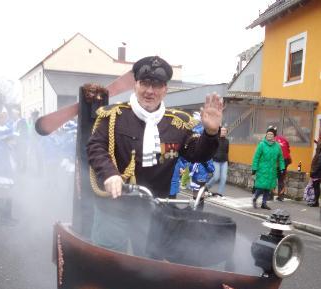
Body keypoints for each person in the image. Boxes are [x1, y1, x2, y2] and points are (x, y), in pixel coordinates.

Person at [87, 56, 223, 254]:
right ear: (136, 85)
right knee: (107, 263)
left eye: (157, 85)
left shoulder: (178, 122)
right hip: (115, 207)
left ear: (165, 89)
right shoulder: (114, 115)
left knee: (150, 267)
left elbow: (197, 154)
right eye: (145, 83)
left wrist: (210, 132)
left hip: (155, 211)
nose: (150, 91)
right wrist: (109, 174)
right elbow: (95, 146)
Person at [252, 126, 285, 210]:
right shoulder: (262, 144)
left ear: (274, 136)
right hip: (262, 169)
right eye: (268, 134)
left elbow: (281, 158)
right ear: (266, 135)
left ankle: (264, 203)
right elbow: (256, 157)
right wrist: (254, 168)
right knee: (261, 186)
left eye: (271, 134)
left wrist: (282, 168)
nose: (269, 135)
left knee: (268, 187)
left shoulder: (277, 146)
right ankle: (255, 198)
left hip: (272, 170)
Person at [206, 126, 229, 198]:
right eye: (222, 130)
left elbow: (226, 151)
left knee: (224, 178)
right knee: (216, 177)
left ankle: (219, 193)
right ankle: (206, 187)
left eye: (225, 131)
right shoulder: (216, 139)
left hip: (224, 161)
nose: (223, 132)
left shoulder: (227, 141)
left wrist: (228, 160)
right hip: (216, 161)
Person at [273, 128, 291, 201]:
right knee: (281, 179)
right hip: (286, 160)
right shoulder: (284, 139)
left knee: (272, 177)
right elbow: (288, 150)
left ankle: (270, 195)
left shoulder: (272, 140)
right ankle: (281, 196)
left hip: (277, 161)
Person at [309, 136, 321, 207]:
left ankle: (316, 202)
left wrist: (313, 172)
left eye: (317, 148)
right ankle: (315, 201)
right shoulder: (318, 154)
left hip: (317, 173)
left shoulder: (319, 155)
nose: (316, 149)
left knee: (316, 186)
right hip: (317, 173)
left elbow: (318, 165)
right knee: (316, 186)